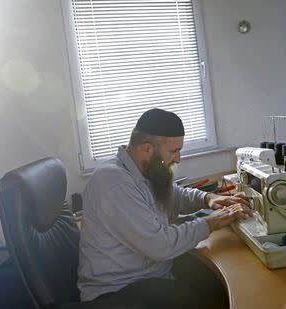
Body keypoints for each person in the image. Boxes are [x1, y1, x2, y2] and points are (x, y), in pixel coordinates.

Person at [78, 108, 252, 308]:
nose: (178, 159)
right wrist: (210, 223)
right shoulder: (112, 180)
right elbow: (159, 246)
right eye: (174, 151)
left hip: (150, 274)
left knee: (213, 287)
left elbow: (172, 194)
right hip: (118, 292)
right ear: (147, 148)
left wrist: (208, 198)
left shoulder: (140, 170)